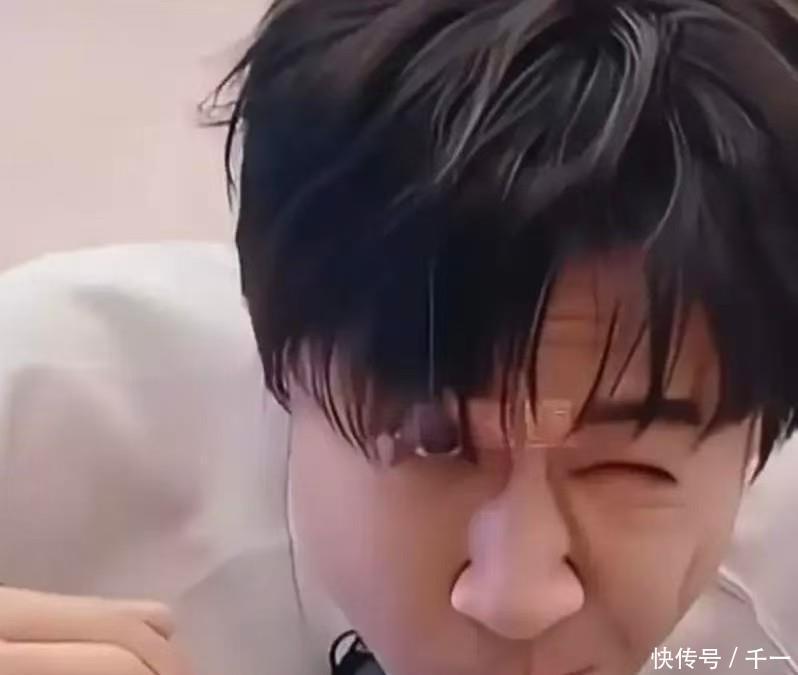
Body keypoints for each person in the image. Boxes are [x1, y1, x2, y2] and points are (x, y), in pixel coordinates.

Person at [4, 0, 798, 674]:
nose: (515, 598)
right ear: (279, 362)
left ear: (762, 435)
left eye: (631, 466)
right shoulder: (37, 412)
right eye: (433, 439)